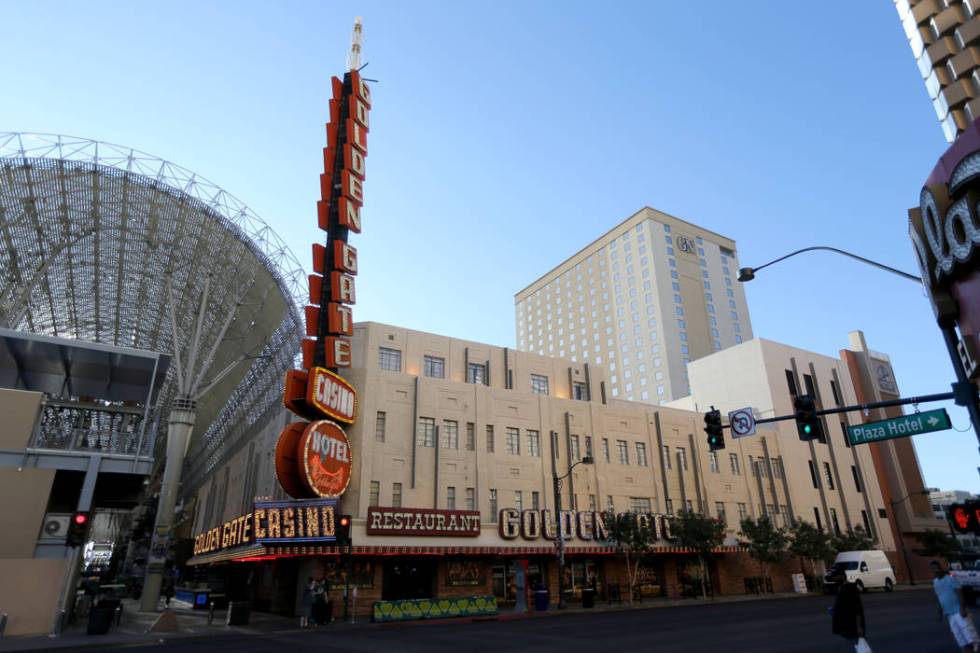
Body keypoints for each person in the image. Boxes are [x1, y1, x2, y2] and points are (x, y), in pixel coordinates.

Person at [932, 560, 979, 652]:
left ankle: (975, 650)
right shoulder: (935, 582)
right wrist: (939, 612)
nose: (936, 570)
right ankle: (967, 651)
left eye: (937, 567)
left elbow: (960, 593)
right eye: (933, 569)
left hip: (958, 611)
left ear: (941, 568)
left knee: (969, 634)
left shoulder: (950, 578)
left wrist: (962, 608)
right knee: (959, 636)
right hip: (949, 613)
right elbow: (939, 597)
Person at [830, 566, 865, 649]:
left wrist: (859, 627)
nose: (834, 579)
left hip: (853, 627)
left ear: (842, 576)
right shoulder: (841, 588)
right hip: (845, 627)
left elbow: (857, 609)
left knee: (858, 648)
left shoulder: (851, 588)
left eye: (835, 576)